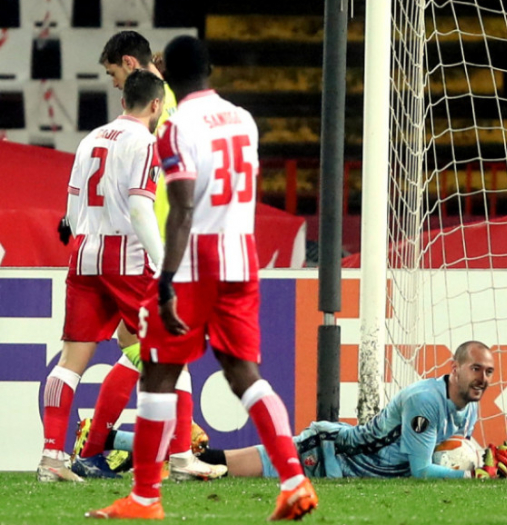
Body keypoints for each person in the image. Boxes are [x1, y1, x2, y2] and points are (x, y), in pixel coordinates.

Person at [85, 35, 317, 521]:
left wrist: (166, 276)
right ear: (210, 69)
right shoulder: (244, 119)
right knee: (244, 374)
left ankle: (145, 497)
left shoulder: (174, 127)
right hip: (241, 255)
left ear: (165, 68)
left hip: (196, 261)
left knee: (157, 371)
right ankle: (293, 480)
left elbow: (185, 205)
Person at [71, 30, 223, 482]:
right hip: (163, 243)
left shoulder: (151, 115)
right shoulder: (176, 102)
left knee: (147, 349)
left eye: (114, 72)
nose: (114, 82)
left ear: (130, 65)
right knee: (138, 347)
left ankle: (107, 448)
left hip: (153, 247)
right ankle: (152, 454)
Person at [96, 342, 507, 480]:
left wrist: (479, 457)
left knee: (209, 463)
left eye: (488, 371)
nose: (483, 378)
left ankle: (113, 440)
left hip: (345, 464)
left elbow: (441, 453)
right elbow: (420, 469)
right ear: (455, 368)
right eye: (475, 369)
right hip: (327, 452)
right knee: (211, 465)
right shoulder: (425, 401)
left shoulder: (466, 406)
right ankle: (107, 438)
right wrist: (471, 475)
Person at [37, 70, 166, 483]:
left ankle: (52, 458)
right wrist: (162, 263)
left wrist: (80, 239)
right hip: (126, 259)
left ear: (122, 100)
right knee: (163, 356)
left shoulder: (91, 138)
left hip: (84, 256)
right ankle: (171, 457)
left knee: (70, 363)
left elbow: (72, 206)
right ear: (156, 105)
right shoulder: (146, 142)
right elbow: (141, 209)